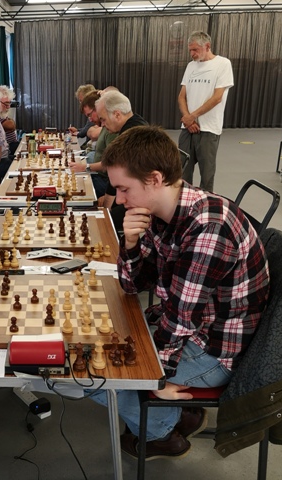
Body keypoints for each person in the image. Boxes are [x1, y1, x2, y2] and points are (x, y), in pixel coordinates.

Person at [92, 125, 269, 459]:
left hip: (215, 351)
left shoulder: (209, 228)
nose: (120, 199)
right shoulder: (161, 211)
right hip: (191, 327)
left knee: (94, 375)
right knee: (101, 346)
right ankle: (181, 414)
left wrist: (154, 380)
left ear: (155, 179)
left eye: (124, 189)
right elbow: (132, 286)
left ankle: (162, 431)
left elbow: (181, 319)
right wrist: (130, 244)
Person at [178, 31, 234, 192]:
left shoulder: (223, 64)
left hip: (209, 128)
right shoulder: (191, 66)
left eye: (195, 50)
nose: (192, 54)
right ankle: (184, 202)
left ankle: (205, 204)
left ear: (207, 46)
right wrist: (188, 119)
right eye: (190, 50)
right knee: (182, 171)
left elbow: (217, 98)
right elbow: (181, 96)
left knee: (207, 175)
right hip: (188, 128)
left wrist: (192, 117)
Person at [93, 90, 148, 227]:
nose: (102, 125)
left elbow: (117, 173)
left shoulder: (131, 134)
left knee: (104, 224)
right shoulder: (135, 122)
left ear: (117, 115)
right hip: (137, 192)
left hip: (144, 199)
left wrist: (106, 208)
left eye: (103, 119)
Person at [69, 90, 118, 197]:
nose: (90, 119)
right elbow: (90, 131)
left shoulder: (111, 129)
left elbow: (111, 164)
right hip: (97, 175)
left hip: (103, 180)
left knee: (73, 191)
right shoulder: (104, 126)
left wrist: (85, 167)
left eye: (90, 115)